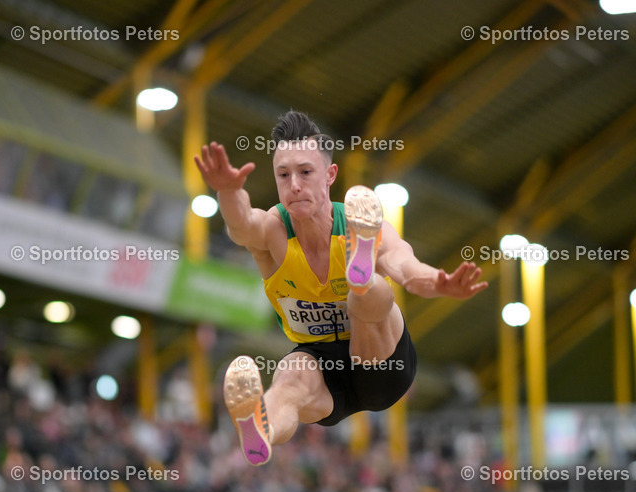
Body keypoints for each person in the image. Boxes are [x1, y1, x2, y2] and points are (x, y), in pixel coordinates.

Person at [195, 111, 487, 465]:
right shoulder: (274, 231)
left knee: (369, 294)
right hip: (324, 366)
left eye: (305, 172)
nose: (294, 185)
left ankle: (360, 276)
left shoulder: (359, 223)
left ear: (330, 175)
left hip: (383, 367)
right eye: (283, 175)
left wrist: (440, 284)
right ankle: (260, 429)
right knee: (288, 382)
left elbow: (407, 269)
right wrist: (228, 190)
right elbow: (241, 225)